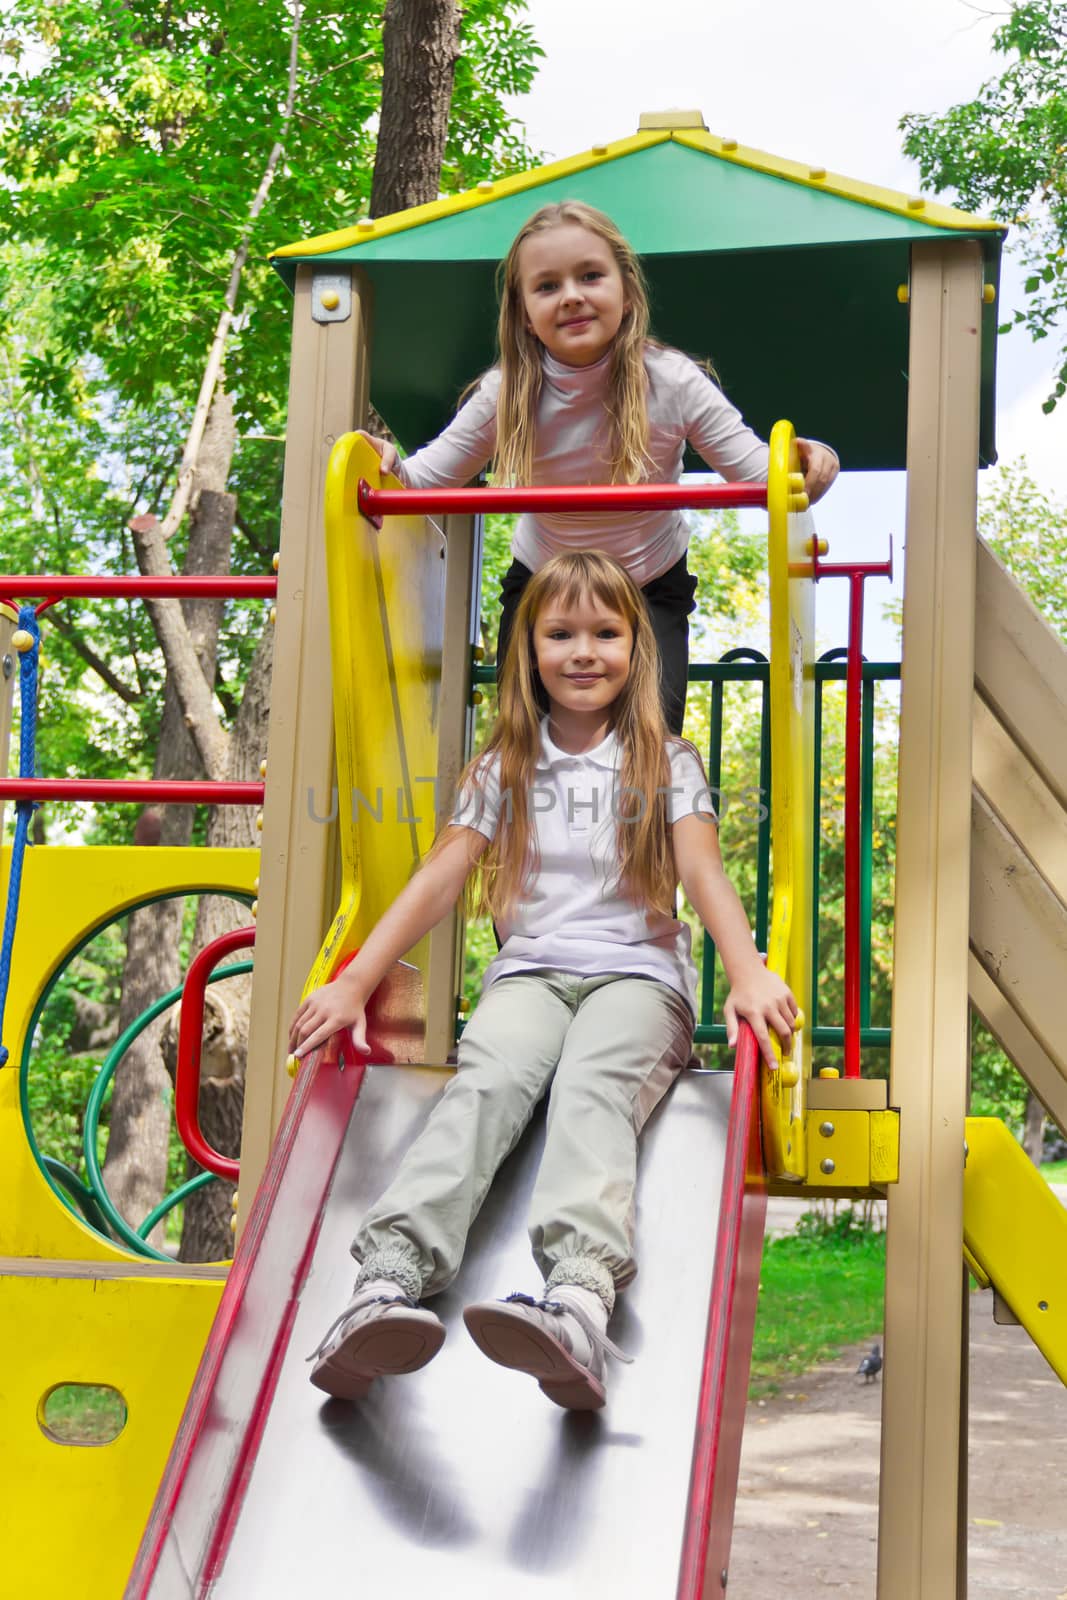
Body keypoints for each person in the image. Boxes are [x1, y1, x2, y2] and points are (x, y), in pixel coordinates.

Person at [289, 550, 798, 1411]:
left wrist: (745, 971)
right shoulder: (503, 765)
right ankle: (385, 1284)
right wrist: (353, 981)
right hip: (530, 974)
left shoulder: (666, 760)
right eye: (559, 633)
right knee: (489, 1080)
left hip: (637, 981)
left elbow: (702, 870)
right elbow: (440, 877)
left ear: (637, 649)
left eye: (605, 632)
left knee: (592, 1086)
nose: (582, 651)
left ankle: (577, 1303)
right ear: (529, 651)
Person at [357, 199, 838, 733]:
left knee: (651, 737)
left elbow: (761, 474)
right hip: (545, 583)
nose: (571, 297)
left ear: (627, 292)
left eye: (590, 276)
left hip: (648, 584)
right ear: (523, 312)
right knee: (527, 738)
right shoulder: (509, 391)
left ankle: (648, 813)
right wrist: (387, 467)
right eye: (546, 286)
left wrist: (816, 459)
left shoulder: (671, 381)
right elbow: (425, 481)